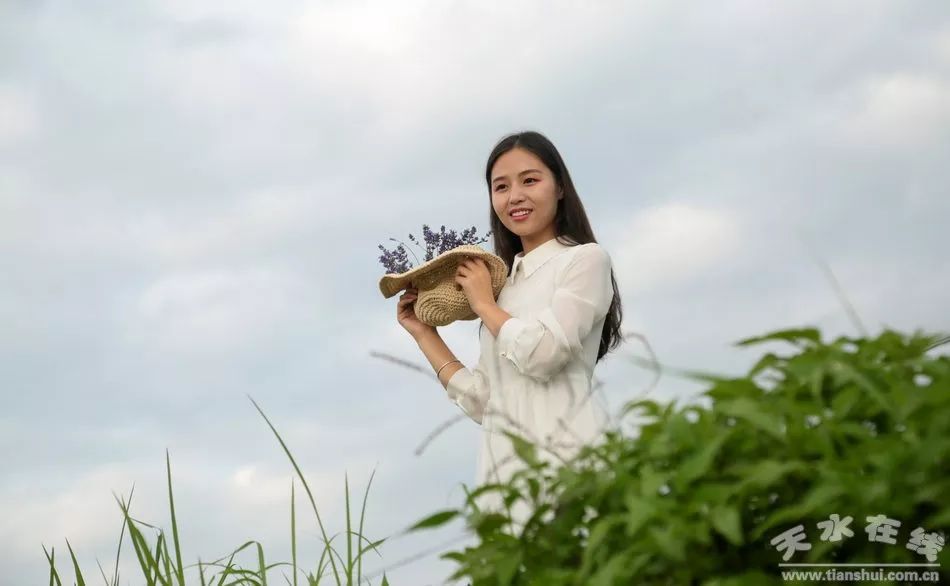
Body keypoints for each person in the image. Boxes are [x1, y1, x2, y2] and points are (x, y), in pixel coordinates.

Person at [395, 130, 624, 533]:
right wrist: (424, 334)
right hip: (504, 477)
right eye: (501, 187)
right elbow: (487, 401)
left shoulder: (585, 261)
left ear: (560, 189)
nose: (514, 196)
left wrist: (484, 305)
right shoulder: (505, 286)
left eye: (529, 180)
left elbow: (544, 354)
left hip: (571, 461)